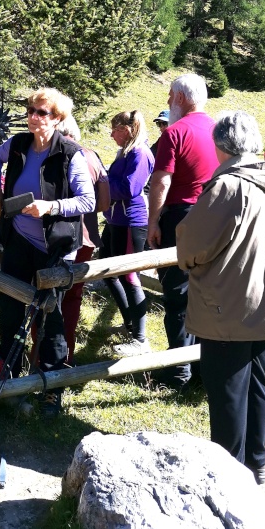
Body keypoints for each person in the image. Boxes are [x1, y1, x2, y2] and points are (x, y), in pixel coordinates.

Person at [177, 111, 265, 484]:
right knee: (258, 385)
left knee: (227, 391)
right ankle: (256, 464)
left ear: (221, 146)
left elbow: (193, 245)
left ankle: (230, 478)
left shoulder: (228, 187)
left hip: (227, 306)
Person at [0, 88, 95, 417]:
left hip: (54, 248)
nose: (33, 116)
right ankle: (8, 375)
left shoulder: (70, 153)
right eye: (31, 110)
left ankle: (51, 388)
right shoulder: (19, 144)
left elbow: (87, 201)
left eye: (42, 112)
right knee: (9, 306)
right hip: (19, 240)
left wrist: (51, 206)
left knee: (51, 317)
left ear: (58, 119)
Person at [147, 73, 219, 389]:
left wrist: (153, 221)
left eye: (169, 96)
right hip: (217, 217)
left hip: (181, 217)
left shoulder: (174, 133)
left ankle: (178, 369)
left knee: (177, 295)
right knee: (206, 295)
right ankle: (206, 367)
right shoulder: (220, 130)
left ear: (178, 98)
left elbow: (161, 181)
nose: (167, 102)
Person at [54, 115, 110, 364]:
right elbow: (105, 202)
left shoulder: (48, 153)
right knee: (73, 297)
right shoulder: (93, 156)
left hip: (52, 238)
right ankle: (67, 355)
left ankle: (40, 357)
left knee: (46, 295)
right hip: (86, 238)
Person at [101, 110, 154, 356]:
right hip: (115, 220)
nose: (111, 134)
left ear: (129, 129)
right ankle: (130, 323)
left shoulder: (140, 153)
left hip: (132, 222)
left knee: (129, 276)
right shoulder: (125, 152)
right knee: (109, 272)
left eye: (115, 129)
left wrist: (101, 185)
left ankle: (140, 339)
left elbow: (129, 189)